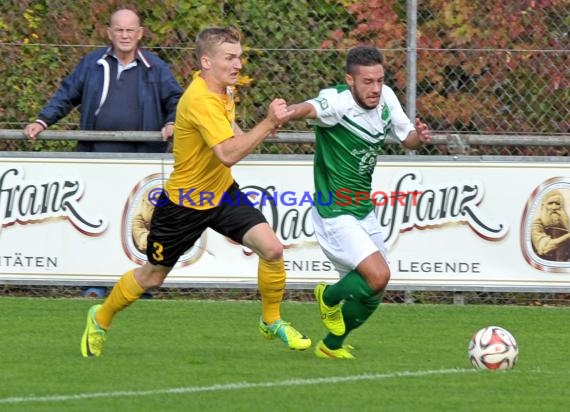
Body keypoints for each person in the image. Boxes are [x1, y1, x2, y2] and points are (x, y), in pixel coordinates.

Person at [80, 26, 311, 357]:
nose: (238, 64)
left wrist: (252, 132)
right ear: (206, 61)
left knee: (272, 249)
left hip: (221, 193)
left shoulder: (223, 91)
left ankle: (271, 320)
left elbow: (228, 130)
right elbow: (228, 153)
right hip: (183, 205)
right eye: (230, 58)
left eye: (240, 57)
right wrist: (267, 125)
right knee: (152, 277)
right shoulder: (200, 99)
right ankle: (100, 317)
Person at [285, 46, 431, 359]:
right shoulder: (336, 102)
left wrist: (419, 136)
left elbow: (407, 140)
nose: (375, 88)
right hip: (333, 209)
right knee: (378, 275)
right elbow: (308, 108)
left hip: (363, 208)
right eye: (367, 81)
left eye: (379, 80)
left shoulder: (387, 98)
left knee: (375, 291)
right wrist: (285, 112)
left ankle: (331, 346)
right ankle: (328, 296)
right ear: (350, 80)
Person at [23, 8, 183, 153]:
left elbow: (176, 100)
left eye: (130, 30)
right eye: (119, 30)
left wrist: (172, 122)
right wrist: (42, 121)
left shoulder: (156, 67)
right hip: (96, 154)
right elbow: (66, 95)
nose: (125, 36)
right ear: (110, 33)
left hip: (142, 156)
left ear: (140, 33)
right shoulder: (92, 64)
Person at [531, 189, 570, 261]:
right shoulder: (536, 225)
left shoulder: (566, 225)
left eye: (557, 203)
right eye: (550, 203)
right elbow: (546, 248)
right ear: (544, 205)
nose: (554, 207)